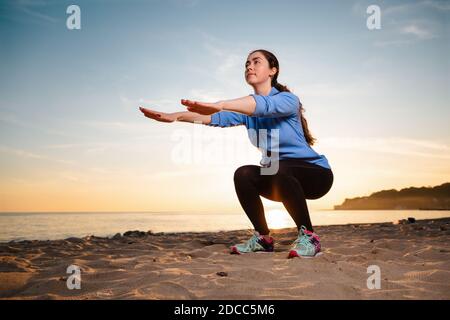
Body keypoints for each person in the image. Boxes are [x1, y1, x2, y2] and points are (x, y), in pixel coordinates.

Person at [139, 49, 333, 258]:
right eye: (247, 63)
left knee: (278, 166)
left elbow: (263, 106)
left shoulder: (288, 100)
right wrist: (174, 116)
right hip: (281, 178)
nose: (249, 66)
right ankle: (263, 238)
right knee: (244, 174)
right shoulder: (247, 112)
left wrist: (220, 104)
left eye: (256, 62)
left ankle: (309, 237)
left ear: (272, 70)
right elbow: (213, 118)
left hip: (317, 176)